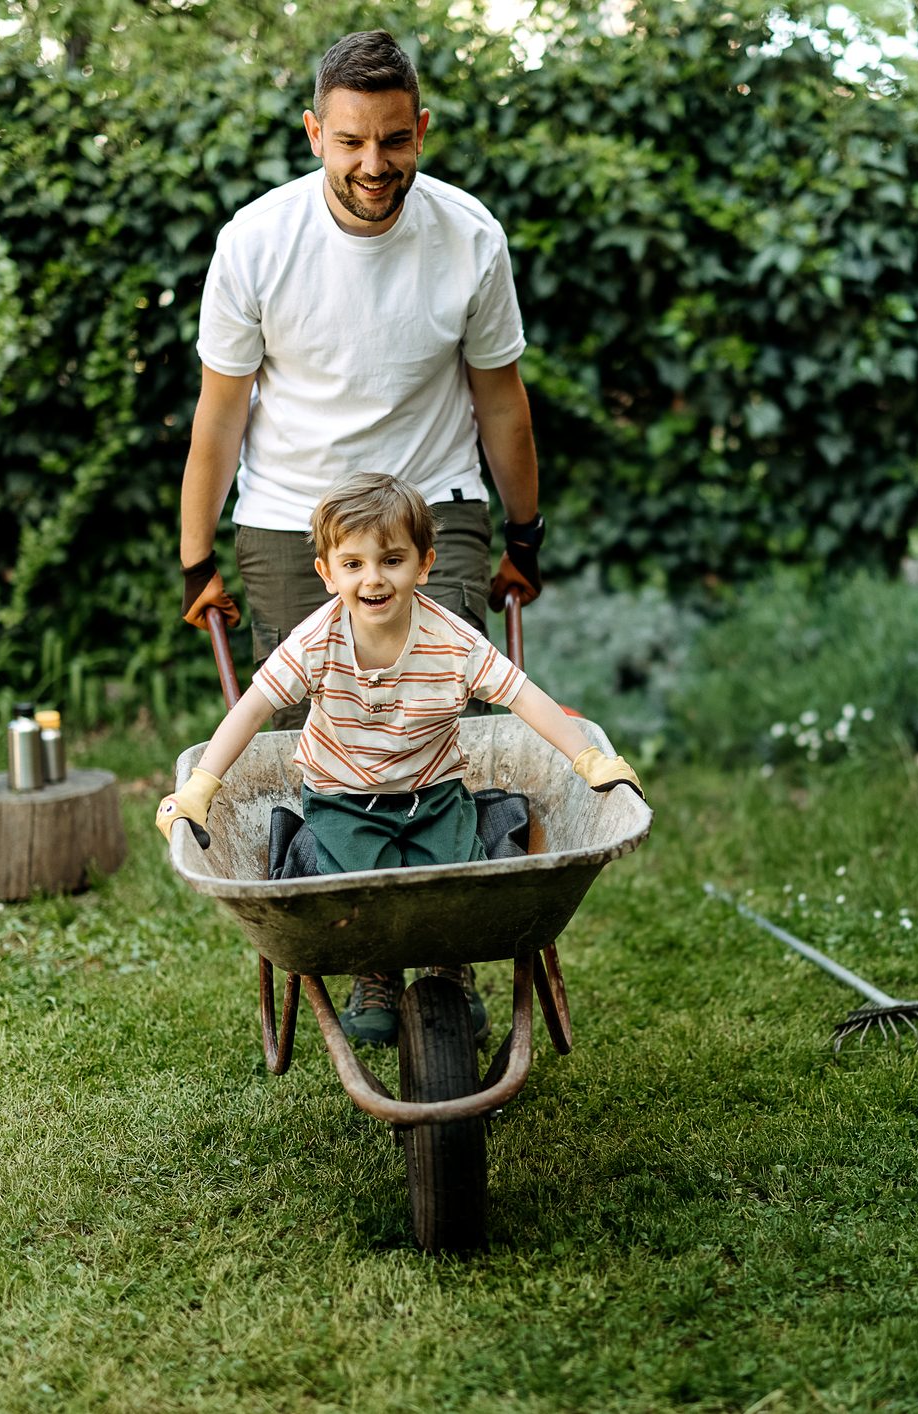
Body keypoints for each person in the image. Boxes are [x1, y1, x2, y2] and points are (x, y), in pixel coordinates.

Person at [156, 475, 643, 1048]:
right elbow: (253, 708)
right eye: (354, 563)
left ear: (425, 563)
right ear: (327, 573)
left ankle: (449, 967)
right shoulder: (317, 640)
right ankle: (375, 967)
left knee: (463, 885)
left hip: (434, 794)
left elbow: (522, 695)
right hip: (343, 797)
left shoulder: (451, 641)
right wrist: (202, 787)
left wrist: (587, 759)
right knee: (359, 888)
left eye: (392, 559)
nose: (374, 578)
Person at [176, 28, 545, 737]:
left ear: (422, 132)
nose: (374, 164)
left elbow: (501, 401)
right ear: (315, 134)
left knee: (447, 735)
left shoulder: (471, 237)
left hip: (432, 502)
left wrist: (524, 536)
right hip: (295, 515)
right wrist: (197, 561)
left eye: (394, 140)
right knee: (304, 746)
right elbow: (220, 416)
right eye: (350, 142)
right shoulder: (255, 243)